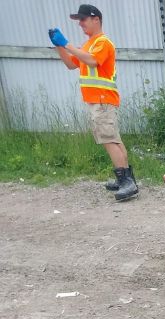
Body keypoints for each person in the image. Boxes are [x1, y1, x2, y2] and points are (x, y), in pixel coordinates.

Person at [49, 4, 138, 201]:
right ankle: (125, 178)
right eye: (79, 20)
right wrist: (59, 46)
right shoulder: (88, 45)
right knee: (113, 139)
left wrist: (67, 43)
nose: (80, 24)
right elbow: (71, 64)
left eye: (83, 19)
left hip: (103, 99)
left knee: (109, 140)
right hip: (97, 100)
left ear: (95, 19)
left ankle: (127, 183)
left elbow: (91, 61)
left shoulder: (102, 43)